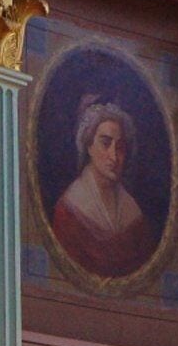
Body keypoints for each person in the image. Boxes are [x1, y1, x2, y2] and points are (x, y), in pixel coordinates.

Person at [47, 97, 159, 282]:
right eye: (105, 143)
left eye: (121, 147)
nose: (114, 156)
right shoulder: (69, 210)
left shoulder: (134, 215)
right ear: (88, 145)